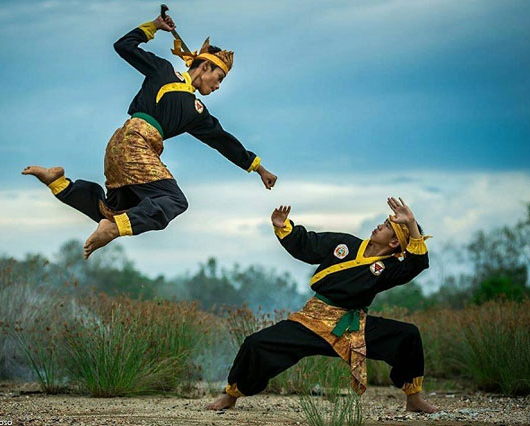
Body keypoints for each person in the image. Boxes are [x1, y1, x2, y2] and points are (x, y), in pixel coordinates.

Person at [23, 13, 277, 259]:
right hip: (137, 144)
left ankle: (58, 183)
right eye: (219, 77)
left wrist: (257, 167)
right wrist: (154, 26)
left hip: (116, 146)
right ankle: (114, 228)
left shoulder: (195, 110)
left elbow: (224, 141)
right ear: (206, 66)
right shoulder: (167, 74)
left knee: (113, 211)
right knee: (174, 200)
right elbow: (124, 46)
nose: (219, 85)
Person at [207, 197, 438, 413]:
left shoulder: (388, 269)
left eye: (387, 226)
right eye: (384, 222)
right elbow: (309, 244)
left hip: (350, 328)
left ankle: (414, 399)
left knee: (407, 335)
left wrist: (411, 224)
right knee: (256, 343)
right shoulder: (345, 244)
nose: (379, 226)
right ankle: (231, 395)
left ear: (395, 241)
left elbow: (416, 264)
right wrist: (283, 226)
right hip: (312, 321)